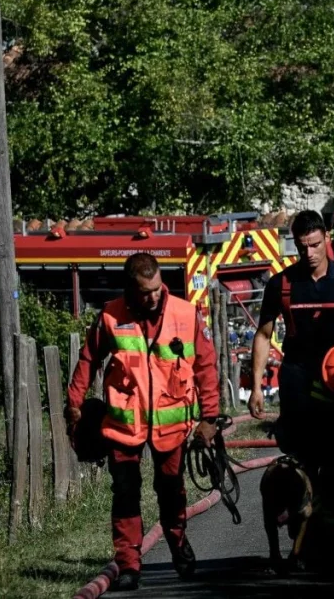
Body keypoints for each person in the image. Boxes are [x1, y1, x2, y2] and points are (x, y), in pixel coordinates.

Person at [65, 253, 220, 592]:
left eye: (156, 289)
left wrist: (209, 419)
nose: (153, 296)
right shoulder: (109, 316)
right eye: (144, 291)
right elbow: (88, 359)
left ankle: (178, 544)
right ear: (129, 288)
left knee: (170, 489)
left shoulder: (185, 313)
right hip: (124, 422)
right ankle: (128, 564)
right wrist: (74, 404)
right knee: (124, 493)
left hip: (172, 422)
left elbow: (206, 367)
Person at [247, 209, 334, 569]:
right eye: (302, 247)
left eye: (315, 245)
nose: (309, 254)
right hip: (299, 387)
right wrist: (257, 388)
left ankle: (330, 546)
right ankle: (301, 536)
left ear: (326, 241)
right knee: (301, 469)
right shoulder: (281, 285)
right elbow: (264, 334)